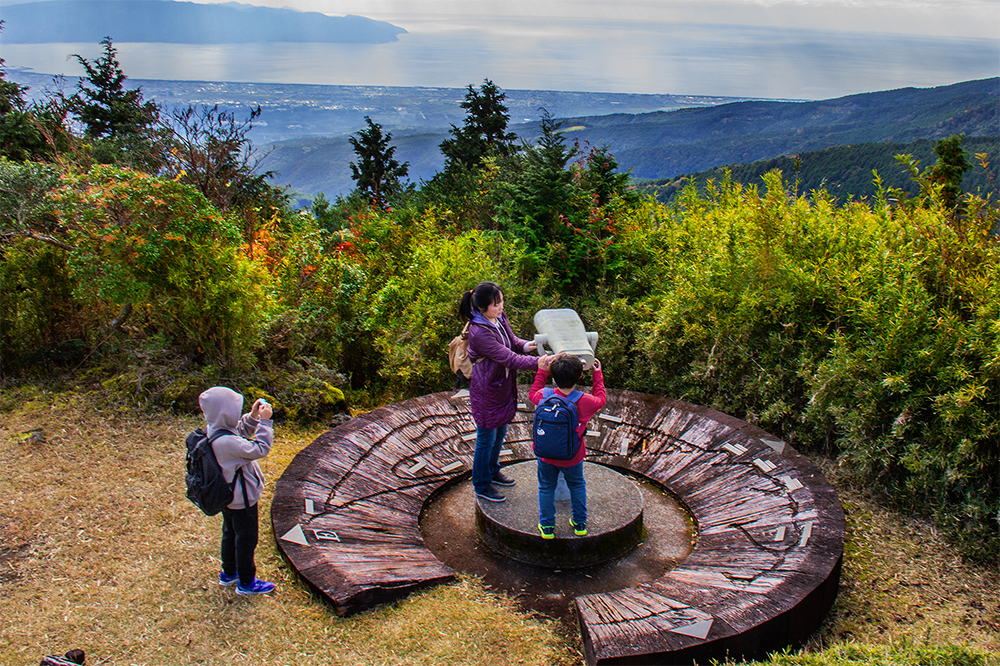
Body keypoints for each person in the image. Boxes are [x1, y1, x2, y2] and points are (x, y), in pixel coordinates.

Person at [460, 281, 539, 502]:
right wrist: (539, 363)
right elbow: (508, 358)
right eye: (496, 304)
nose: (501, 307)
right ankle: (482, 485)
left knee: (501, 432)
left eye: (501, 301)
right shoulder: (478, 331)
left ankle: (493, 471)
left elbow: (512, 343)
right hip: (487, 389)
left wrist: (528, 345)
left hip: (502, 385)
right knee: (486, 437)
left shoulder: (498, 318)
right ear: (481, 308)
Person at [198, 386, 276, 595]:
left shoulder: (214, 430)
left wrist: (252, 417)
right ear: (226, 413)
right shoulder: (228, 443)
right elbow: (260, 449)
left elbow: (238, 430)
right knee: (246, 539)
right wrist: (266, 422)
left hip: (229, 498)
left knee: (230, 533)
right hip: (243, 500)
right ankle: (247, 583)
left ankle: (229, 573)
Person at [529, 353, 606, 539]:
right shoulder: (585, 401)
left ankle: (547, 527)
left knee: (546, 487)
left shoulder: (543, 396)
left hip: (546, 455)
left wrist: (542, 371)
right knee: (577, 485)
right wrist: (597, 375)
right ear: (580, 376)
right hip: (573, 455)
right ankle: (580, 524)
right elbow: (601, 399)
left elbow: (532, 393)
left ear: (553, 377)